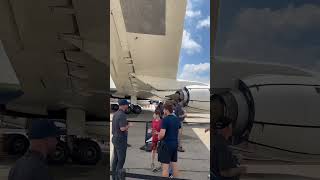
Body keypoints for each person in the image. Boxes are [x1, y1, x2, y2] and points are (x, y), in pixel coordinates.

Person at [158, 101, 181, 177]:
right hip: (175, 144)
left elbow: (162, 134)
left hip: (167, 145)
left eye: (164, 109)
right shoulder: (177, 119)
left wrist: (158, 136)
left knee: (165, 167)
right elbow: (179, 132)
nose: (163, 111)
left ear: (166, 110)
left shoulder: (165, 120)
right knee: (174, 165)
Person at [111, 99, 133, 180]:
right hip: (120, 140)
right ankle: (118, 177)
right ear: (123, 105)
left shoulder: (116, 113)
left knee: (115, 159)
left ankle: (113, 176)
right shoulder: (122, 115)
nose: (127, 106)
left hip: (115, 138)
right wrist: (129, 125)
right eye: (127, 105)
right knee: (121, 160)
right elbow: (122, 128)